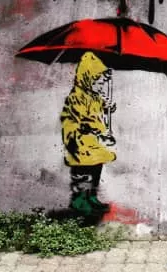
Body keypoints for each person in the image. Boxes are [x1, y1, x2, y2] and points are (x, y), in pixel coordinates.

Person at [60, 51, 117, 216]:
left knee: (96, 167)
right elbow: (78, 118)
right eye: (98, 80)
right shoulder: (77, 97)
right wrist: (93, 128)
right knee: (83, 171)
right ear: (88, 78)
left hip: (91, 141)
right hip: (78, 141)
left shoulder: (93, 96)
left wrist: (107, 107)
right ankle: (79, 200)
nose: (101, 84)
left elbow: (98, 110)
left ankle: (91, 196)